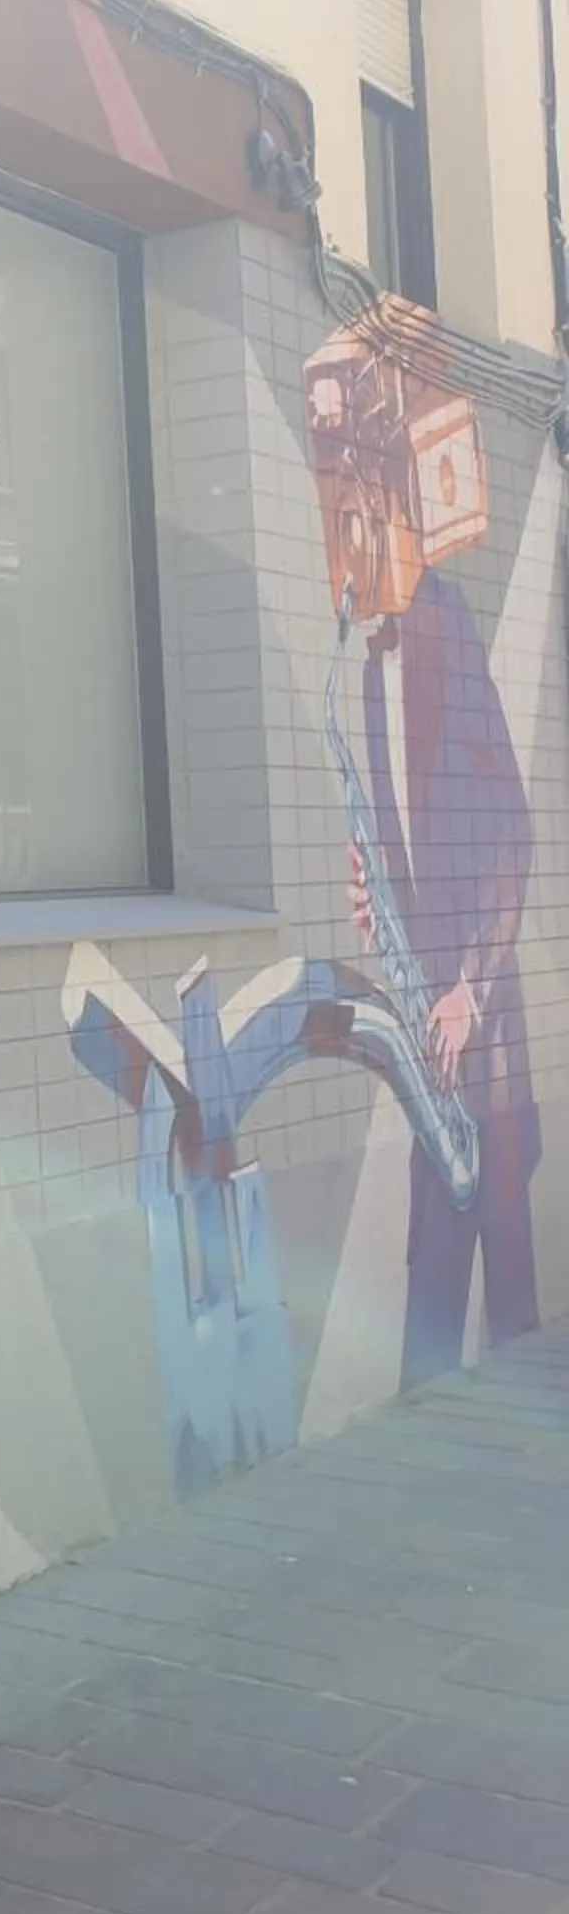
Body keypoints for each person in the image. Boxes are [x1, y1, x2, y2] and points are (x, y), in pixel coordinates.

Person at [312, 334, 539, 1384]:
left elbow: (515, 834)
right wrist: (379, 893)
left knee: (513, 1311)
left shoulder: (444, 626)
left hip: (479, 1055)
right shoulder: (368, 661)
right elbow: (407, 825)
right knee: (432, 1309)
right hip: (429, 1053)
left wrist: (465, 995)